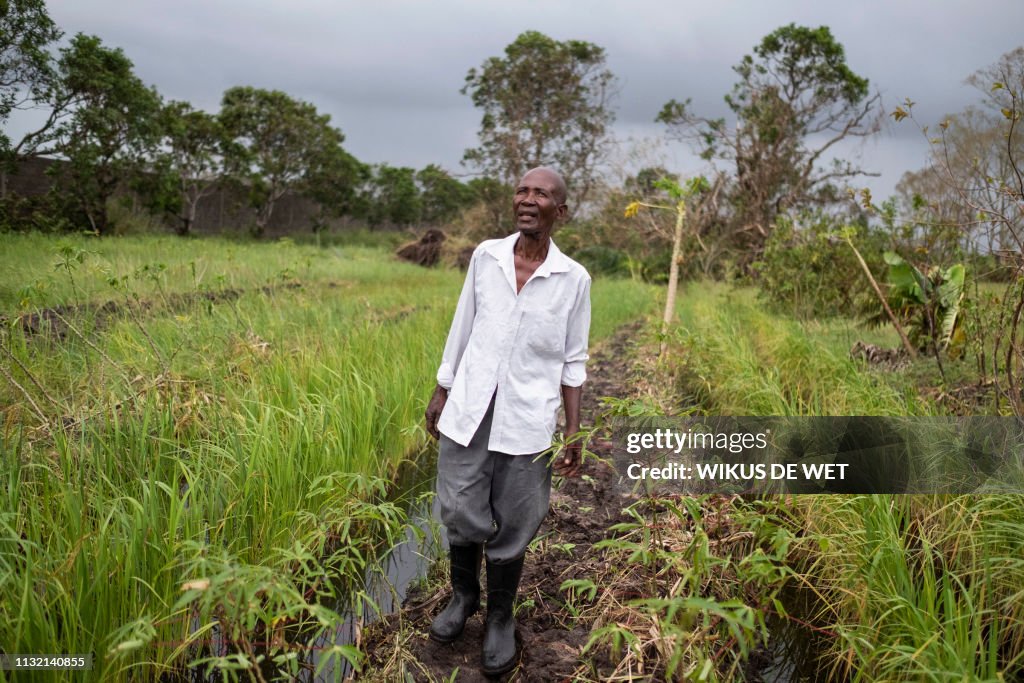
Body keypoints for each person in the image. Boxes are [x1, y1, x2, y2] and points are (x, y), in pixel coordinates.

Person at [423, 166, 591, 676]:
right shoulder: (486, 256)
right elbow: (464, 322)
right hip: (472, 405)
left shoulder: (573, 279)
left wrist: (573, 429)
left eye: (541, 193)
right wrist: (442, 386)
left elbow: (573, 362)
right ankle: (463, 598)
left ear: (559, 212)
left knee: (517, 516)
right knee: (459, 503)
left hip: (527, 417)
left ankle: (500, 617)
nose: (527, 198)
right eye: (522, 190)